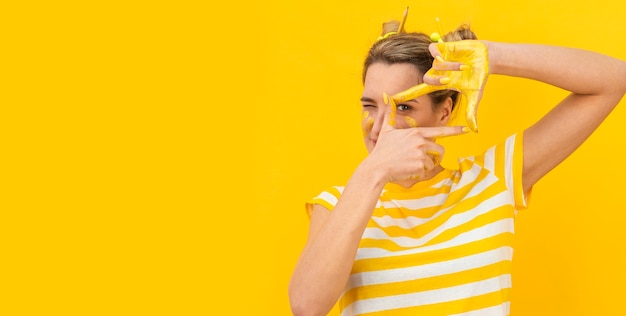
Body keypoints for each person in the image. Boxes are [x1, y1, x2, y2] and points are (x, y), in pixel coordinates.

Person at [288, 17, 626, 316]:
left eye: (404, 106)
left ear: (445, 111)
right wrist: (373, 172)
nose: (380, 127)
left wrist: (491, 55)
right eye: (369, 105)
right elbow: (306, 306)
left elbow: (613, 80)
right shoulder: (337, 205)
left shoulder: (492, 179)